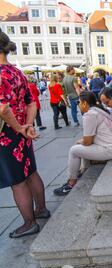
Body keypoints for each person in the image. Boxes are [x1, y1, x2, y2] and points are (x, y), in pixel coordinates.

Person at [0, 30, 50, 238]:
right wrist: (27, 126)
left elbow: (2, 109)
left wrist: (19, 128)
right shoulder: (16, 72)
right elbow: (31, 103)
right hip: (22, 133)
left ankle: (29, 223)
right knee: (31, 173)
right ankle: (41, 209)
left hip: (7, 135)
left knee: (18, 181)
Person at [54, 91, 112, 196]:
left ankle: (71, 183)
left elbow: (88, 141)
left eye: (78, 102)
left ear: (84, 103)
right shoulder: (98, 109)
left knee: (74, 150)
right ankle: (83, 170)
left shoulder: (89, 115)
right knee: (82, 147)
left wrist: (80, 141)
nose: (78, 105)